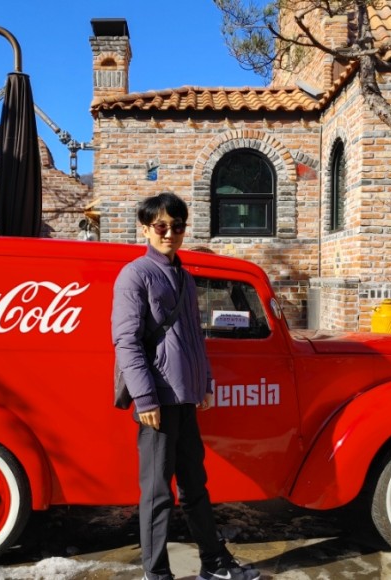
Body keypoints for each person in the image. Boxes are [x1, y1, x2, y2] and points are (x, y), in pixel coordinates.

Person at [111, 192, 261, 580]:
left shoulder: (184, 277)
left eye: (177, 226)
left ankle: (214, 563)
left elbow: (195, 336)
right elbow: (126, 341)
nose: (170, 233)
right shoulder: (135, 275)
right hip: (157, 400)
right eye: (161, 226)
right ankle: (157, 574)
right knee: (158, 494)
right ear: (145, 229)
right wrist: (145, 397)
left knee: (195, 486)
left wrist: (204, 382)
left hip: (185, 397)